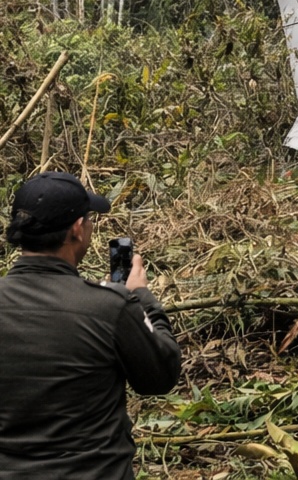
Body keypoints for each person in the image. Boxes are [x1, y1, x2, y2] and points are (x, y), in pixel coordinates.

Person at [0, 171, 181, 479]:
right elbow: (161, 376)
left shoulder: (105, 306)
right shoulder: (108, 307)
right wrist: (141, 298)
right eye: (89, 220)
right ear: (76, 230)